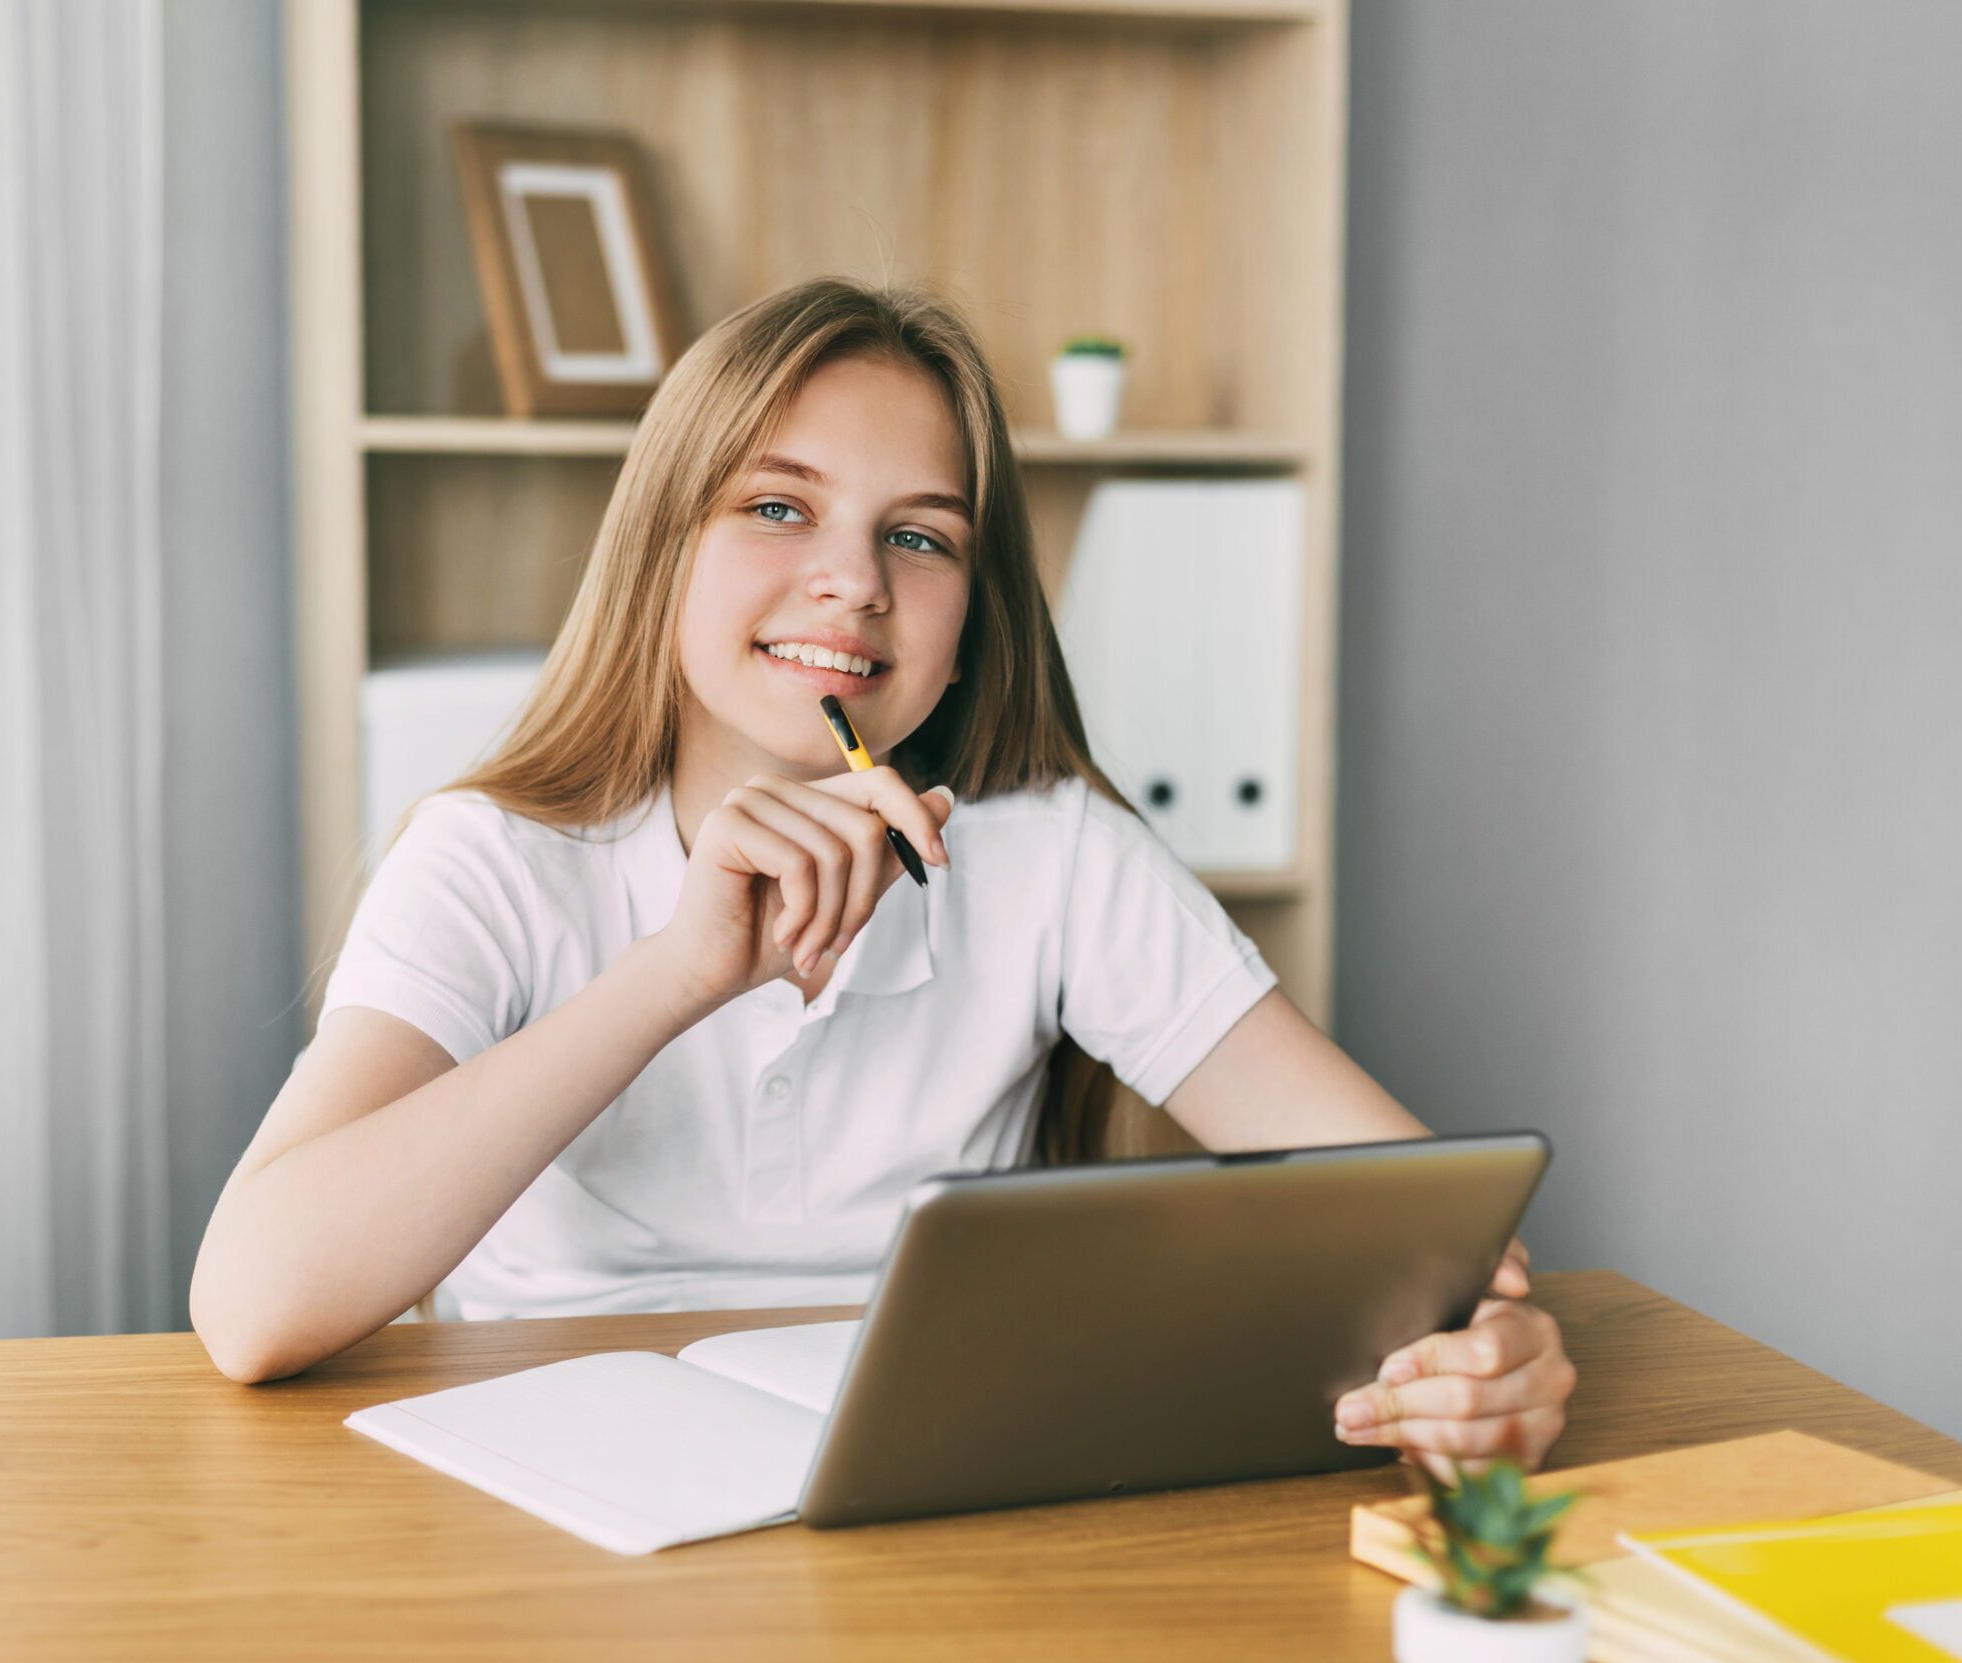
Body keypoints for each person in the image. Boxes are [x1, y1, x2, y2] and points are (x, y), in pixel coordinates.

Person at [190, 278, 1574, 1478]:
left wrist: (1492, 1351)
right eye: (779, 507)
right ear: (658, 553)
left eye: (920, 538)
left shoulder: (1051, 854)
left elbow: (1421, 1220)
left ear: (967, 628)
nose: (852, 581)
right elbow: (253, 1306)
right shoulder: (492, 855)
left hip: (930, 1504)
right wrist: (674, 978)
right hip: (550, 1503)